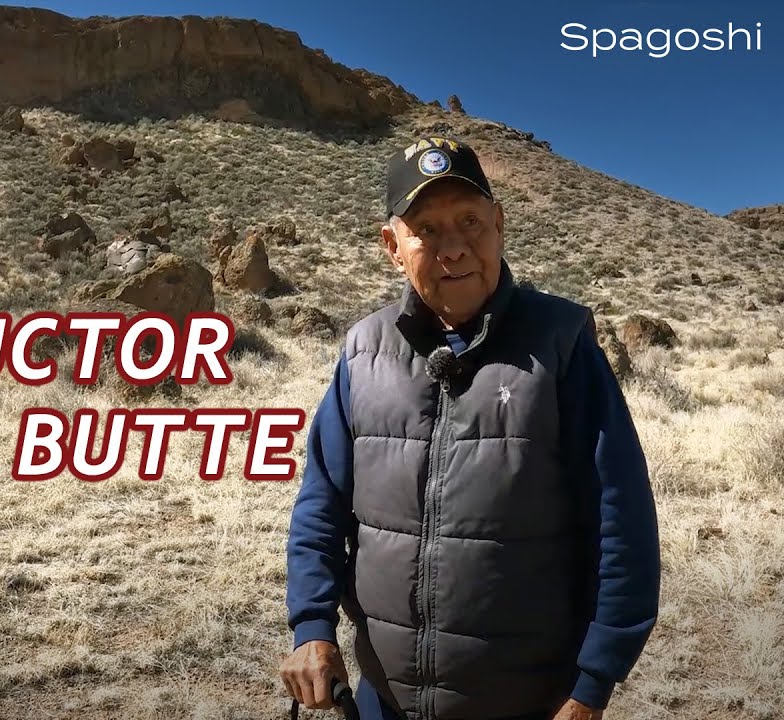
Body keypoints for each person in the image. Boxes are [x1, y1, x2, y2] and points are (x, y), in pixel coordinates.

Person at [279, 136, 662, 720]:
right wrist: (312, 626)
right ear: (392, 246)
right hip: (385, 700)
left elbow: (622, 525)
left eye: (469, 222)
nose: (453, 248)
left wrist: (591, 688)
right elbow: (320, 508)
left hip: (529, 703)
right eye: (426, 230)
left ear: (499, 225)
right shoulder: (363, 352)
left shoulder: (560, 344)